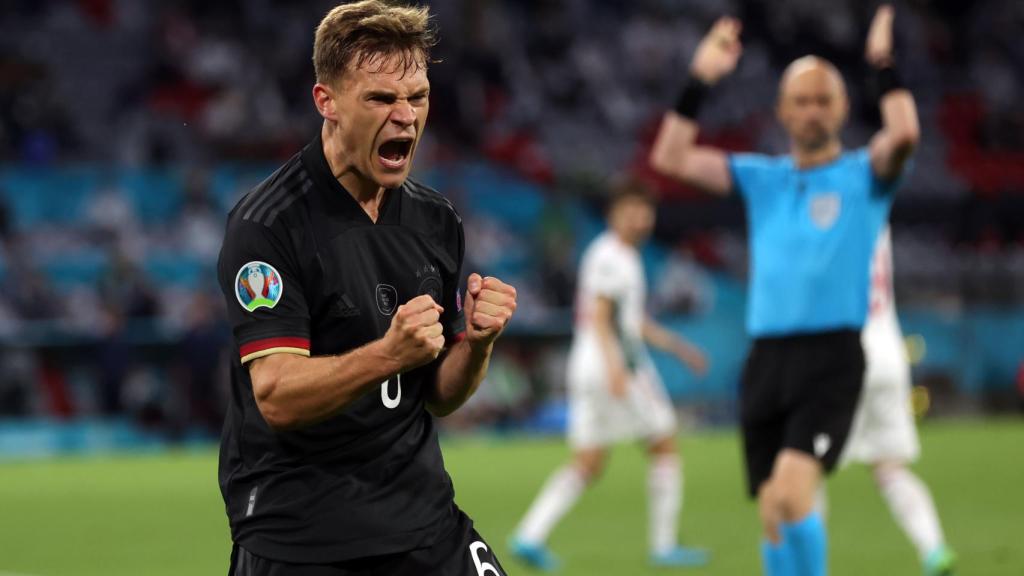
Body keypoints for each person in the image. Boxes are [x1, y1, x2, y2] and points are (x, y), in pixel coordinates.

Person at [215, 2, 517, 575]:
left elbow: (438, 396)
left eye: (418, 97)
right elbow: (276, 395)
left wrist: (476, 343)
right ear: (326, 102)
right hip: (302, 531)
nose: (405, 116)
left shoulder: (436, 221)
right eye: (380, 99)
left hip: (422, 516)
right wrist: (387, 354)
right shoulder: (268, 225)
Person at [649, 5, 919, 576]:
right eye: (801, 100)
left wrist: (881, 63)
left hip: (832, 357)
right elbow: (669, 157)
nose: (813, 110)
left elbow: (905, 133)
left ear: (844, 108)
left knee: (794, 496)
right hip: (768, 360)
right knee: (773, 507)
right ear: (782, 110)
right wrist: (700, 79)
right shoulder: (762, 178)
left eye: (824, 99)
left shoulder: (864, 173)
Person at [509, 183, 709, 570]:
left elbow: (632, 321)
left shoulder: (620, 255)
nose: (641, 218)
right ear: (614, 213)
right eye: (632, 209)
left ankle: (529, 535)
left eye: (645, 210)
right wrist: (616, 368)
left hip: (596, 364)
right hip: (615, 366)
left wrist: (679, 348)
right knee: (664, 444)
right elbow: (600, 318)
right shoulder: (611, 256)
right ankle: (664, 546)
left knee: (589, 461)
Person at [838, 225, 956, 576]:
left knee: (802, 468)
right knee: (889, 466)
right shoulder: (876, 213)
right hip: (888, 353)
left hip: (842, 354)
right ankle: (933, 549)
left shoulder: (825, 210)